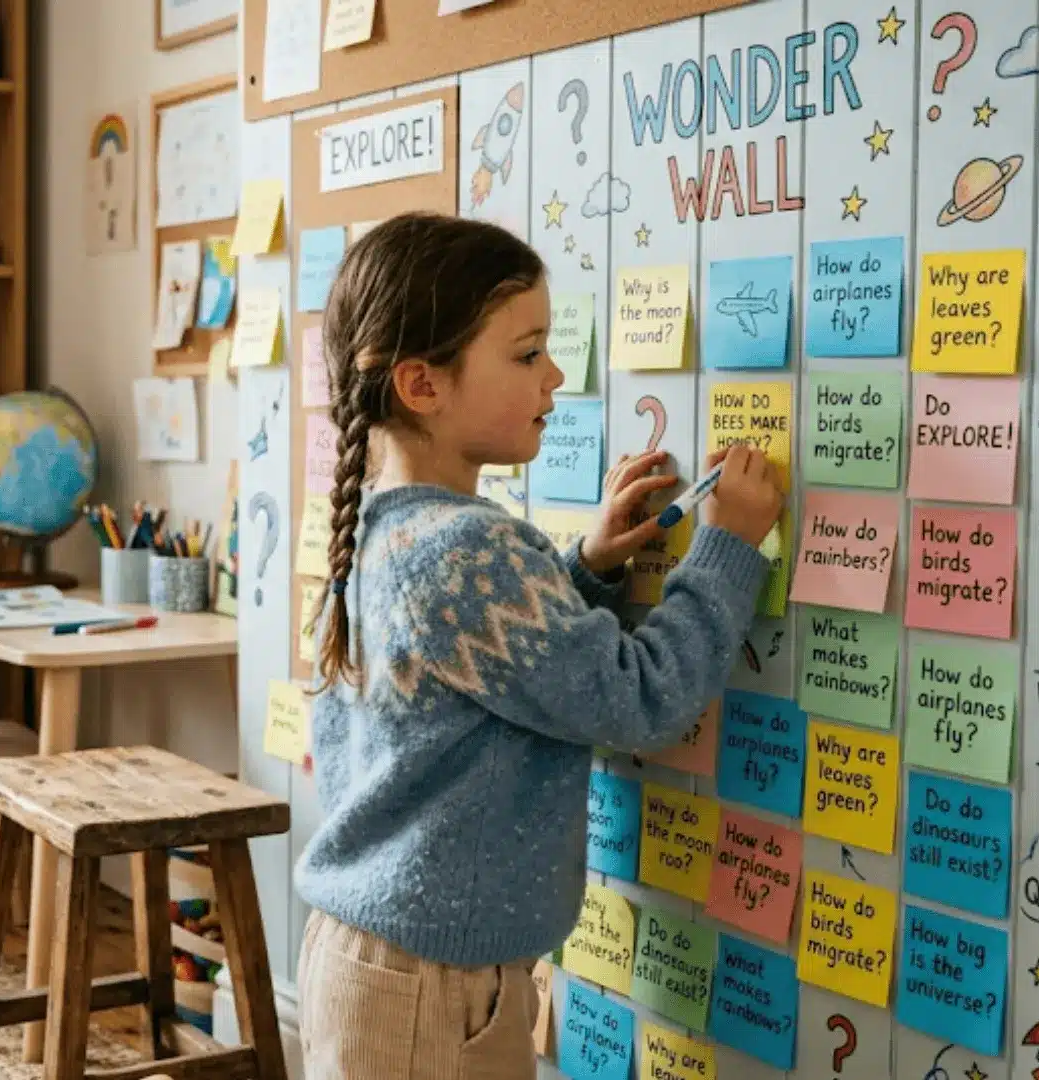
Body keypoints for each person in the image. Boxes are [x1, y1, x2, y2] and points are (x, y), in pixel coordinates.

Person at [293, 212, 783, 1079]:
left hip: (384, 966)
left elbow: (481, 668)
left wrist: (585, 568)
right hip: (431, 990)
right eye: (527, 355)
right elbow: (642, 699)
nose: (556, 377)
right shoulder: (465, 552)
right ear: (421, 384)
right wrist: (728, 548)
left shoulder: (385, 531)